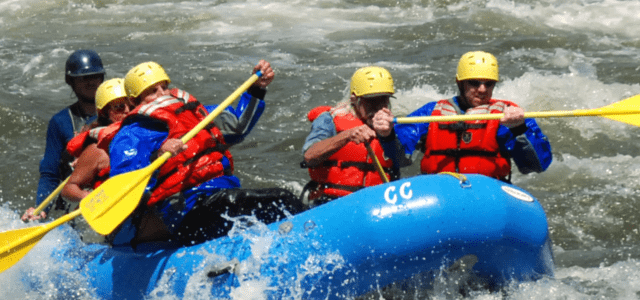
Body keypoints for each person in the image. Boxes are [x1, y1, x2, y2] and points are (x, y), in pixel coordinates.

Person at [104, 60, 302, 246]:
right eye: (152, 91)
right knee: (269, 200)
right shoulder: (131, 134)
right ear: (134, 100)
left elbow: (239, 126)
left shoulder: (195, 114)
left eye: (164, 87)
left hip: (222, 192)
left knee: (282, 199)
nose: (162, 94)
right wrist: (158, 155)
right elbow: (125, 185)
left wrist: (258, 88)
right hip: (183, 209)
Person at [394, 51, 552, 182]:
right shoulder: (431, 113)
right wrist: (386, 134)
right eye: (475, 83)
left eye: (489, 83)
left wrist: (519, 129)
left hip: (487, 195)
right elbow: (396, 157)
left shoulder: (508, 115)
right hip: (440, 193)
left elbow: (537, 165)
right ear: (460, 83)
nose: (482, 89)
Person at [300, 66, 410, 206]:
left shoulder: (392, 124)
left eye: (383, 100)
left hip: (379, 203)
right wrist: (346, 135)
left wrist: (388, 137)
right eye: (371, 101)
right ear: (354, 99)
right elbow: (309, 156)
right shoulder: (329, 119)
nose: (378, 107)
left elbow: (403, 162)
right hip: (333, 202)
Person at [23, 49, 105, 221]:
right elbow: (50, 173)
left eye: (95, 76)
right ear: (71, 81)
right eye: (84, 78)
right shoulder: (60, 122)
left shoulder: (118, 112)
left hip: (107, 192)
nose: (91, 82)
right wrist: (41, 208)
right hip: (75, 202)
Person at [61, 78, 130, 203]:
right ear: (105, 113)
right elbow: (68, 189)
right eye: (119, 107)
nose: (127, 110)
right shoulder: (97, 150)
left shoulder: (148, 133)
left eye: (131, 105)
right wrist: (92, 199)